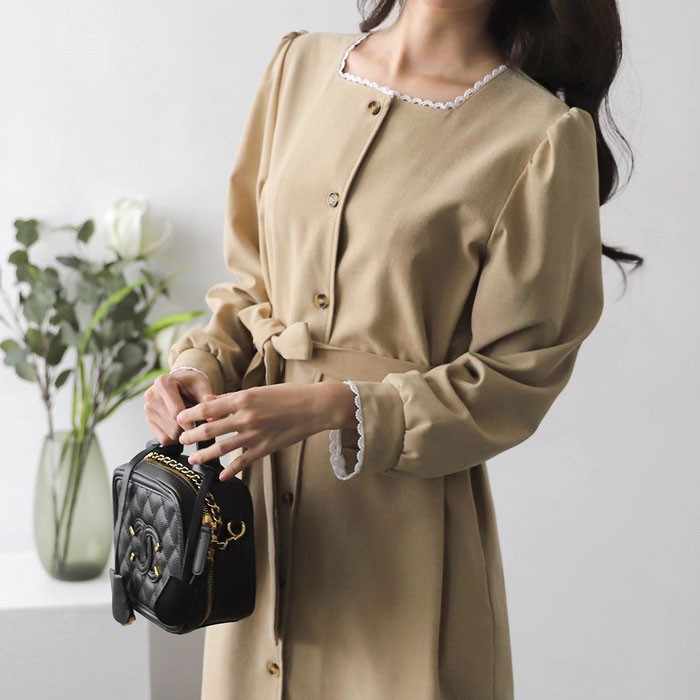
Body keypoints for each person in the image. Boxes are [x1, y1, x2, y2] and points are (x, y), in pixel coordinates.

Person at [144, 1, 642, 698]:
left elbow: (515, 377)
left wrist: (335, 408)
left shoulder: (540, 137)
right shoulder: (298, 66)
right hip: (249, 522)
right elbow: (253, 280)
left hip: (402, 543)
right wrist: (199, 366)